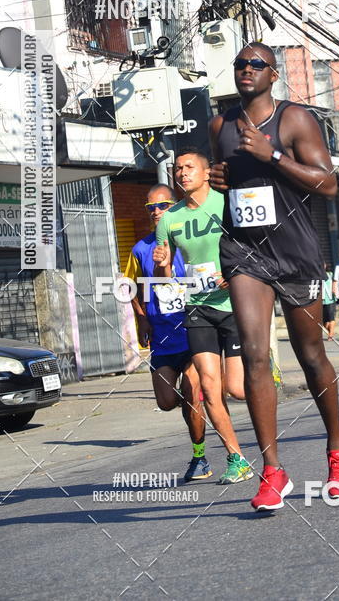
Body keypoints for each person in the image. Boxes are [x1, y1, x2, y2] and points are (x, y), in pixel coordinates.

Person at [209, 42, 339, 512]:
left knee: (311, 356)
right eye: (239, 64)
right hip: (244, 251)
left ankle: (337, 451)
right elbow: (231, 179)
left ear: (273, 75)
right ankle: (273, 471)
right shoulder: (222, 125)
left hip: (295, 254)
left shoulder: (295, 120)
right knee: (254, 353)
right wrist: (220, 179)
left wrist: (272, 156)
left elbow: (328, 184)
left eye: (256, 65)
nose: (246, 70)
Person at [153, 148, 253, 485]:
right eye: (178, 168)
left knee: (238, 389)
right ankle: (235, 457)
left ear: (207, 172)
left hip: (233, 304)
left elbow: (255, 247)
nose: (182, 173)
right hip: (196, 308)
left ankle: (264, 367)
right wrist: (162, 264)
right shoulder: (169, 219)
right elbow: (164, 277)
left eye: (189, 167)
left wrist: (235, 271)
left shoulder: (225, 204)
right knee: (210, 390)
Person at [124, 184, 211, 482]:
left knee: (192, 392)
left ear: (174, 207)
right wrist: (142, 318)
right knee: (165, 401)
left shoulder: (190, 241)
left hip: (192, 330)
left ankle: (199, 457)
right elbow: (130, 286)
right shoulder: (140, 248)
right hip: (161, 336)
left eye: (163, 206)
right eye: (151, 208)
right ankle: (192, 406)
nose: (157, 212)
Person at [322, 270, 336, 340]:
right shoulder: (316, 275)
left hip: (330, 300)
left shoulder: (330, 274)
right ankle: (331, 332)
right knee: (324, 322)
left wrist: (335, 290)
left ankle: (331, 334)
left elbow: (335, 282)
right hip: (321, 301)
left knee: (331, 318)